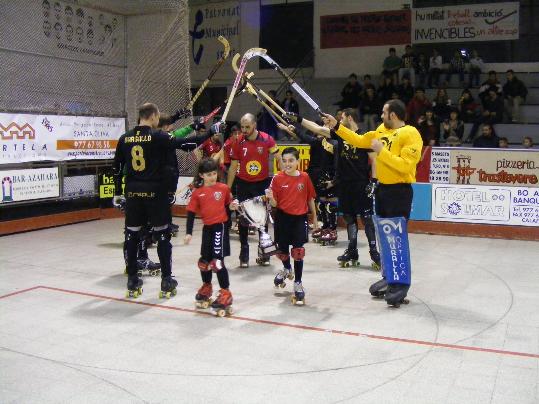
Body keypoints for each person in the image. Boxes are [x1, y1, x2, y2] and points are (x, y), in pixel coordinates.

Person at [321, 99, 423, 307]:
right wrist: (337, 127)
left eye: (384, 112)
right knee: (385, 237)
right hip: (383, 190)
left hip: (400, 191)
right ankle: (389, 276)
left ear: (393, 115)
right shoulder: (379, 131)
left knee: (397, 238)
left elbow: (405, 166)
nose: (381, 115)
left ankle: (401, 283)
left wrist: (381, 151)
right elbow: (357, 140)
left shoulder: (411, 134)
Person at [113, 103, 214, 298]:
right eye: (158, 118)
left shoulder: (124, 138)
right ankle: (167, 280)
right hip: (155, 193)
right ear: (152, 117)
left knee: (132, 235)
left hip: (133, 193)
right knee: (162, 235)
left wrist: (118, 193)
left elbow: (116, 167)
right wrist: (210, 133)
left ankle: (132, 279)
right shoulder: (157, 136)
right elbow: (186, 145)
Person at [287, 109, 382, 269]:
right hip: (345, 184)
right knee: (349, 218)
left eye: (342, 117)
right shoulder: (340, 134)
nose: (339, 119)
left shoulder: (365, 137)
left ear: (349, 118)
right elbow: (317, 129)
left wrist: (373, 181)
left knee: (367, 220)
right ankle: (352, 251)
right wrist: (299, 118)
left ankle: (374, 253)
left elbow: (375, 161)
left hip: (361, 184)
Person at [185, 158, 239, 316]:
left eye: (214, 173)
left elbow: (229, 204)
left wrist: (232, 206)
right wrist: (188, 232)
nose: (212, 177)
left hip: (220, 228)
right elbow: (190, 213)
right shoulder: (197, 193)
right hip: (207, 229)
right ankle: (207, 286)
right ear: (201, 175)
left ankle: (225, 292)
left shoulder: (223, 188)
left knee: (217, 262)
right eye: (209, 174)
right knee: (204, 262)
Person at [227, 113, 280, 268]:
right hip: (243, 184)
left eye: (247, 127)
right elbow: (233, 166)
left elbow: (278, 158)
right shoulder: (237, 142)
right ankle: (244, 252)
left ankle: (264, 251)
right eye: (242, 127)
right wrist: (228, 189)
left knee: (261, 219)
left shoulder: (267, 139)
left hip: (261, 184)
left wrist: (285, 177)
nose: (244, 130)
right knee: (243, 219)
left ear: (255, 125)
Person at [266, 147, 317, 305]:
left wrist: (314, 218)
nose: (288, 164)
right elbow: (275, 203)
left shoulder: (305, 177)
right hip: (282, 218)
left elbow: (310, 199)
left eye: (291, 160)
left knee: (298, 251)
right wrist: (270, 198)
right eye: (285, 161)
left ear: (298, 161)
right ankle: (287, 268)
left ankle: (298, 282)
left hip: (300, 219)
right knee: (282, 251)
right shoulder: (277, 178)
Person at [277, 121, 338, 243]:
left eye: (325, 126)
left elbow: (338, 165)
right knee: (321, 204)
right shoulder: (317, 141)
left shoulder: (335, 143)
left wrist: (334, 180)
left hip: (329, 177)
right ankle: (325, 227)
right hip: (317, 175)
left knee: (330, 205)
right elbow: (302, 136)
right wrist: (288, 129)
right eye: (322, 126)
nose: (321, 128)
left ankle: (333, 229)